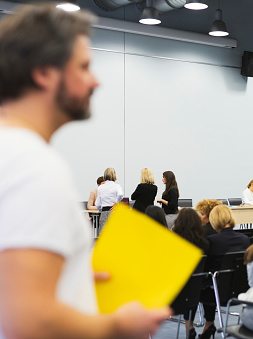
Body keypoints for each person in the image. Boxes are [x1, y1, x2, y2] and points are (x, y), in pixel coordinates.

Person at [0, 4, 169, 339]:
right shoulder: (32, 166)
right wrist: (119, 326)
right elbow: (25, 321)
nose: (96, 80)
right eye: (84, 66)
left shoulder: (12, 154)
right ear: (45, 73)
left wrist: (71, 278)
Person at [200, 205, 250, 339]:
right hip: (240, 291)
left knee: (200, 282)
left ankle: (207, 323)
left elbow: (205, 268)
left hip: (216, 293)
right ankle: (208, 325)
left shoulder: (212, 241)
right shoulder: (245, 239)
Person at [172, 208, 210, 339]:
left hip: (176, 289)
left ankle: (190, 328)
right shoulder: (204, 243)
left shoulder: (173, 242)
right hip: (197, 288)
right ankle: (191, 327)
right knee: (192, 291)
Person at [96, 167, 123, 234]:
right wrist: (116, 202)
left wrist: (101, 210)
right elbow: (120, 194)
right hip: (114, 212)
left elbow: (98, 204)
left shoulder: (101, 187)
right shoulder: (117, 186)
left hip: (104, 211)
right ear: (114, 175)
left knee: (103, 236)